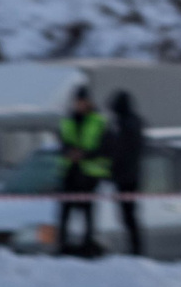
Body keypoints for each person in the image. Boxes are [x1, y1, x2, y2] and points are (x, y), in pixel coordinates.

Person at [55, 88, 109, 256]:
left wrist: (84, 155)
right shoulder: (67, 121)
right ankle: (62, 246)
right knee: (65, 211)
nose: (80, 105)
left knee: (88, 212)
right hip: (69, 172)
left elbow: (105, 147)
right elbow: (61, 143)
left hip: (89, 174)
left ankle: (88, 245)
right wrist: (69, 152)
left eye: (83, 102)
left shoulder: (98, 121)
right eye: (78, 102)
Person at [106, 89, 147, 257]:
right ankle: (134, 249)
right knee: (127, 216)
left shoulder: (127, 124)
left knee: (129, 216)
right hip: (128, 175)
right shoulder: (129, 122)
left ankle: (136, 250)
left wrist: (113, 171)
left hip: (127, 177)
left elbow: (122, 151)